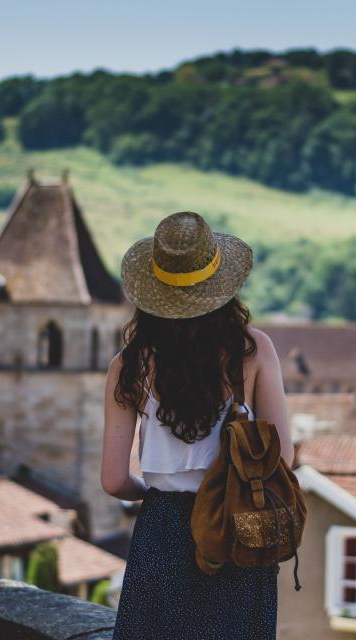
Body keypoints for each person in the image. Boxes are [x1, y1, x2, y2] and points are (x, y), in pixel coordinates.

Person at [101, 211, 293, 639]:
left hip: (161, 533)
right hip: (236, 528)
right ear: (221, 288)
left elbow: (114, 480)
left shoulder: (126, 366)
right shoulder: (254, 350)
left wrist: (154, 494)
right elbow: (283, 456)